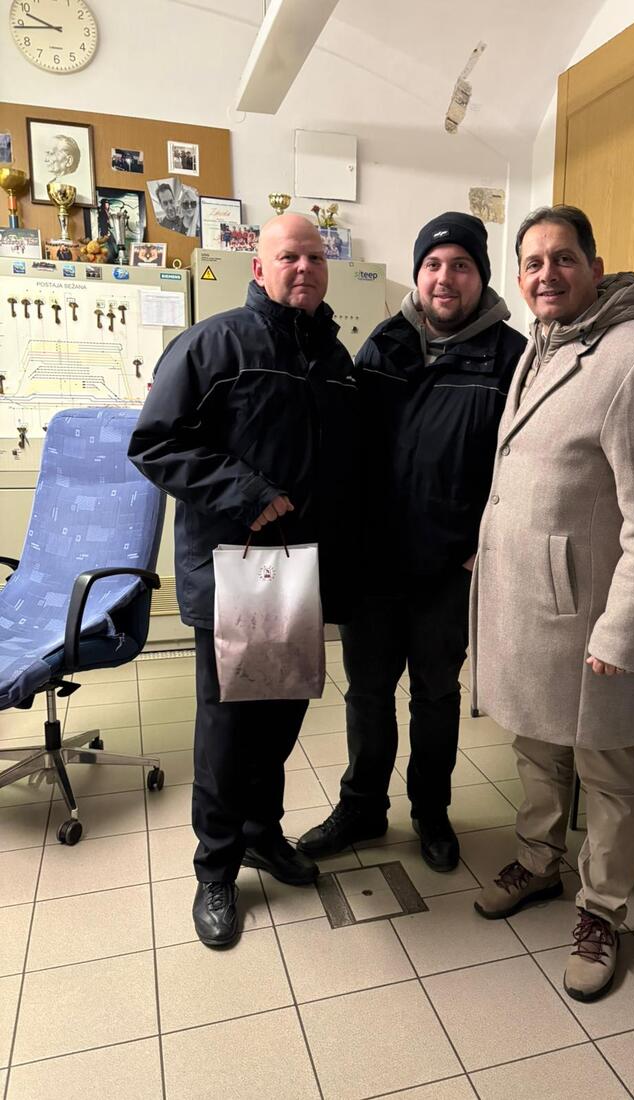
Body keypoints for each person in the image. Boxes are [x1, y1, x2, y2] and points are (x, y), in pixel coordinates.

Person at [470, 205, 634, 1002]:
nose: (546, 274)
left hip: (591, 620)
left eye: (562, 258)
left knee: (603, 769)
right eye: (532, 262)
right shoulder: (543, 345)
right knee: (535, 748)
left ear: (595, 269)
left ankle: (600, 910)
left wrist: (624, 629)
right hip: (529, 607)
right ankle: (539, 861)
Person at [128, 214, 360, 948]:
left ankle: (262, 834)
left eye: (315, 256)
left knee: (282, 716)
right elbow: (155, 443)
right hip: (237, 568)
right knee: (229, 731)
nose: (304, 267)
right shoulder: (214, 344)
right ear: (257, 268)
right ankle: (216, 868)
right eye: (288, 256)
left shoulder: (334, 358)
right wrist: (246, 492)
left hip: (301, 570)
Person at [298, 212, 525, 872]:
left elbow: (524, 464)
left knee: (435, 695)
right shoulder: (385, 342)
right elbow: (352, 443)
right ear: (418, 274)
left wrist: (485, 545)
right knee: (367, 693)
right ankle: (362, 806)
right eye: (432, 265)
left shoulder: (510, 356)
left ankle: (430, 810)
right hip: (374, 563)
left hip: (448, 566)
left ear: (482, 276)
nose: (444, 277)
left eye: (460, 265)